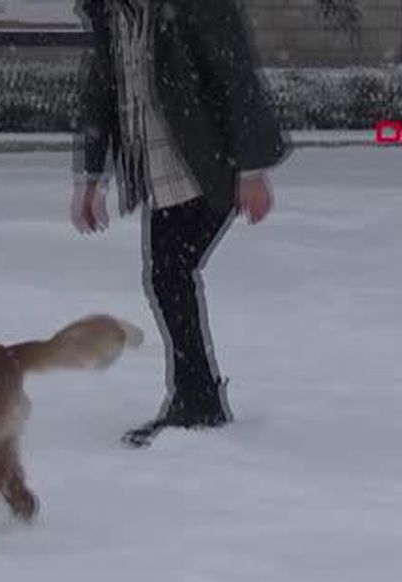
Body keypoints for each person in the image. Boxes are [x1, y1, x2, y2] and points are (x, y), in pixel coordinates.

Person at [70, 0, 291, 447]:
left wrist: (250, 169)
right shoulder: (110, 12)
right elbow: (102, 90)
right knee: (169, 275)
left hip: (208, 161)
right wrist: (91, 177)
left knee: (171, 274)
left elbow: (235, 73)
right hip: (159, 166)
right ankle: (197, 398)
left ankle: (198, 400)